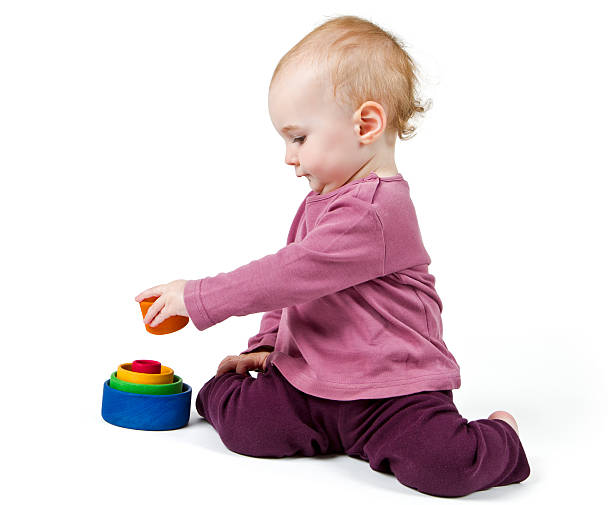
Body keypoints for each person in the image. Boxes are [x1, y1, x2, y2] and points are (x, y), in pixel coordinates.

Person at [134, 15, 530, 498]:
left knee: (444, 466)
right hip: (311, 384)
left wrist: (198, 297)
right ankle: (238, 395)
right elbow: (292, 287)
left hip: (394, 392)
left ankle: (500, 436)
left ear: (366, 123)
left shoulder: (378, 210)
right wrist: (265, 346)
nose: (288, 156)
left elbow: (289, 273)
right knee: (246, 428)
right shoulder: (319, 204)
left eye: (298, 138)